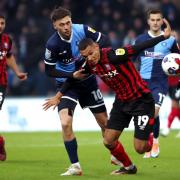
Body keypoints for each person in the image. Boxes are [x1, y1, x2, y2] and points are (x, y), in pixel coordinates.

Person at [43, 18, 171, 175]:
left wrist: (163, 37)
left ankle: (149, 135)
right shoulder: (89, 64)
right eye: (85, 56)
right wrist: (59, 95)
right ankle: (129, 167)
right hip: (122, 102)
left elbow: (139, 47)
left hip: (141, 100)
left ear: (97, 47)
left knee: (141, 148)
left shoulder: (114, 55)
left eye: (91, 53)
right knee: (108, 141)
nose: (89, 58)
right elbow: (74, 78)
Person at [43, 7, 110, 176]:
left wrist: (92, 53)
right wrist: (71, 75)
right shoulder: (52, 44)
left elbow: (105, 40)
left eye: (68, 22)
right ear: (55, 26)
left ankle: (115, 155)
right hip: (67, 85)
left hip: (88, 82)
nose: (66, 27)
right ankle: (75, 166)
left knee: (105, 124)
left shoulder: (82, 30)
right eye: (62, 24)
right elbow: (49, 71)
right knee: (65, 123)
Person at [133, 9, 179, 158]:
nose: (155, 22)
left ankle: (155, 142)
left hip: (160, 82)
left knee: (154, 111)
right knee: (149, 114)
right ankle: (151, 140)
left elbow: (178, 60)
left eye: (158, 20)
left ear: (162, 21)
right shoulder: (140, 40)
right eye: (152, 20)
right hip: (142, 81)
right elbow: (132, 60)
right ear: (148, 21)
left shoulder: (170, 40)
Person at [0, 15, 27, 161]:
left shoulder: (6, 40)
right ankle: (0, 142)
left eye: (2, 23)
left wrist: (17, 72)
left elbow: (9, 56)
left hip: (0, 83)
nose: (0, 25)